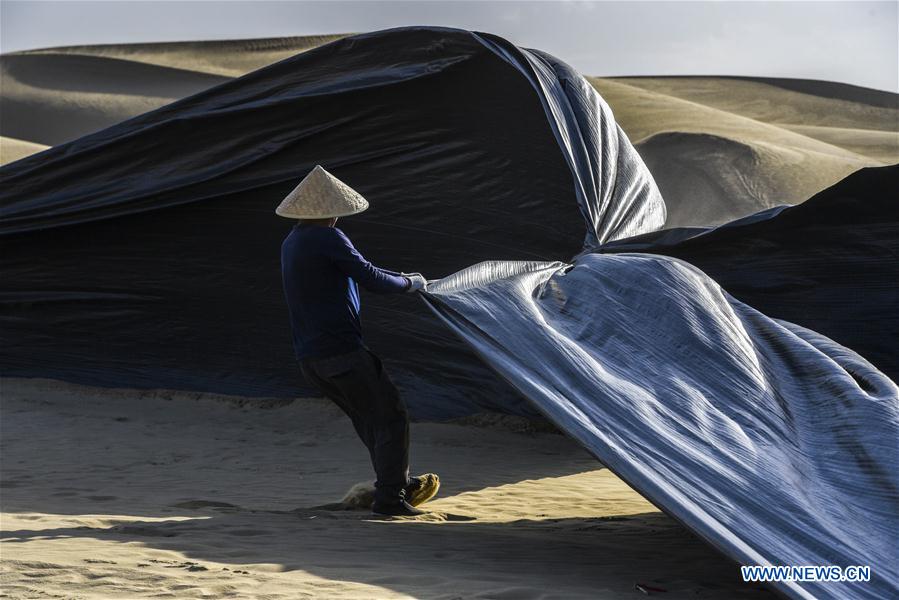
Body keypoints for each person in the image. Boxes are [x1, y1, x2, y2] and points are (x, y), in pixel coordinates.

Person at [277, 165, 439, 516]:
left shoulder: (292, 241)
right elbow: (370, 276)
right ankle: (391, 497)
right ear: (332, 211)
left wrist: (403, 279)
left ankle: (396, 484)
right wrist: (411, 283)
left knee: (370, 419)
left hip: (311, 358)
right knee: (391, 416)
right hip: (341, 352)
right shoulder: (326, 238)